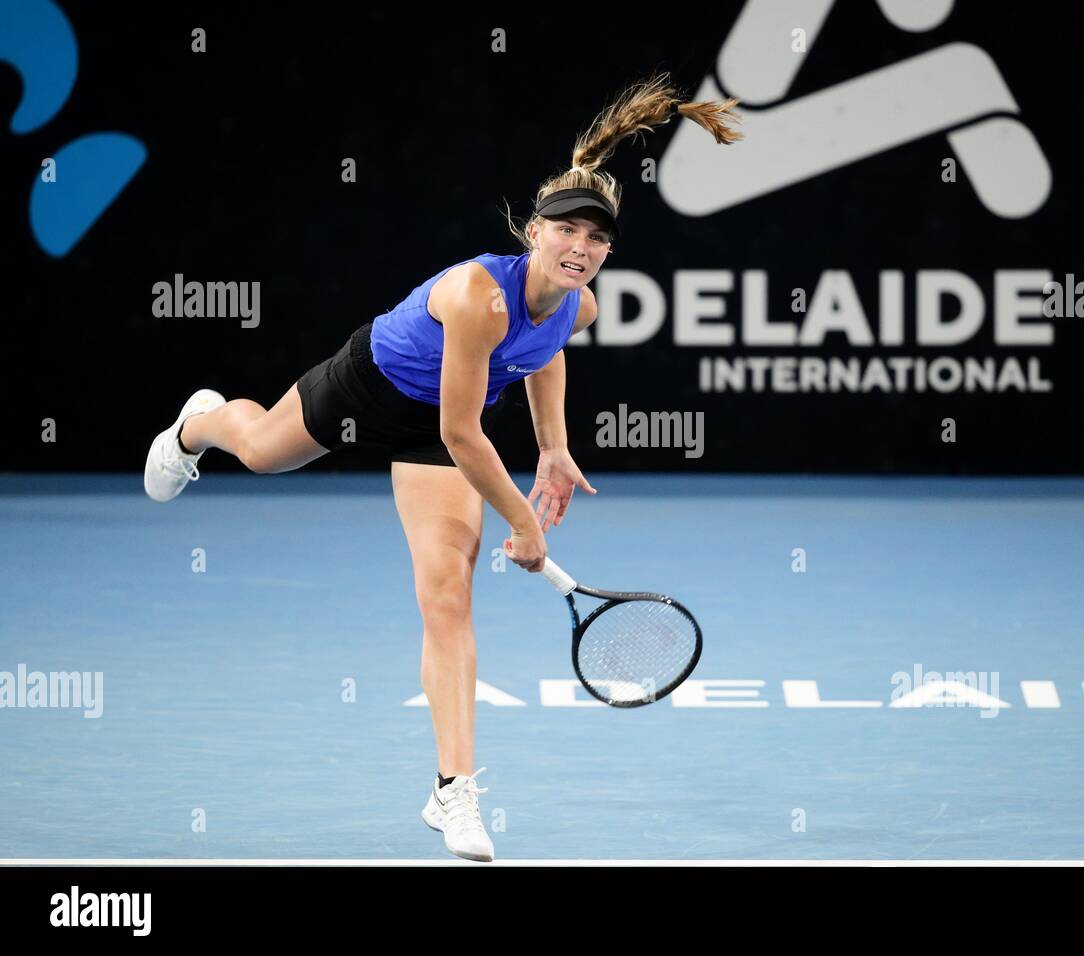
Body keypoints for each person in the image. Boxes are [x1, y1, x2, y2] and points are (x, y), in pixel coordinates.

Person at [142, 73, 742, 862]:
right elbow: (464, 433)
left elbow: (544, 355)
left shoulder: (579, 303)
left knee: (448, 593)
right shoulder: (475, 297)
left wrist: (554, 446)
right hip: (369, 387)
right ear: (535, 232)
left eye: (597, 240)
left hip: (435, 434)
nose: (581, 248)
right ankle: (198, 425)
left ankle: (452, 790)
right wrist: (523, 521)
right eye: (567, 232)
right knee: (258, 453)